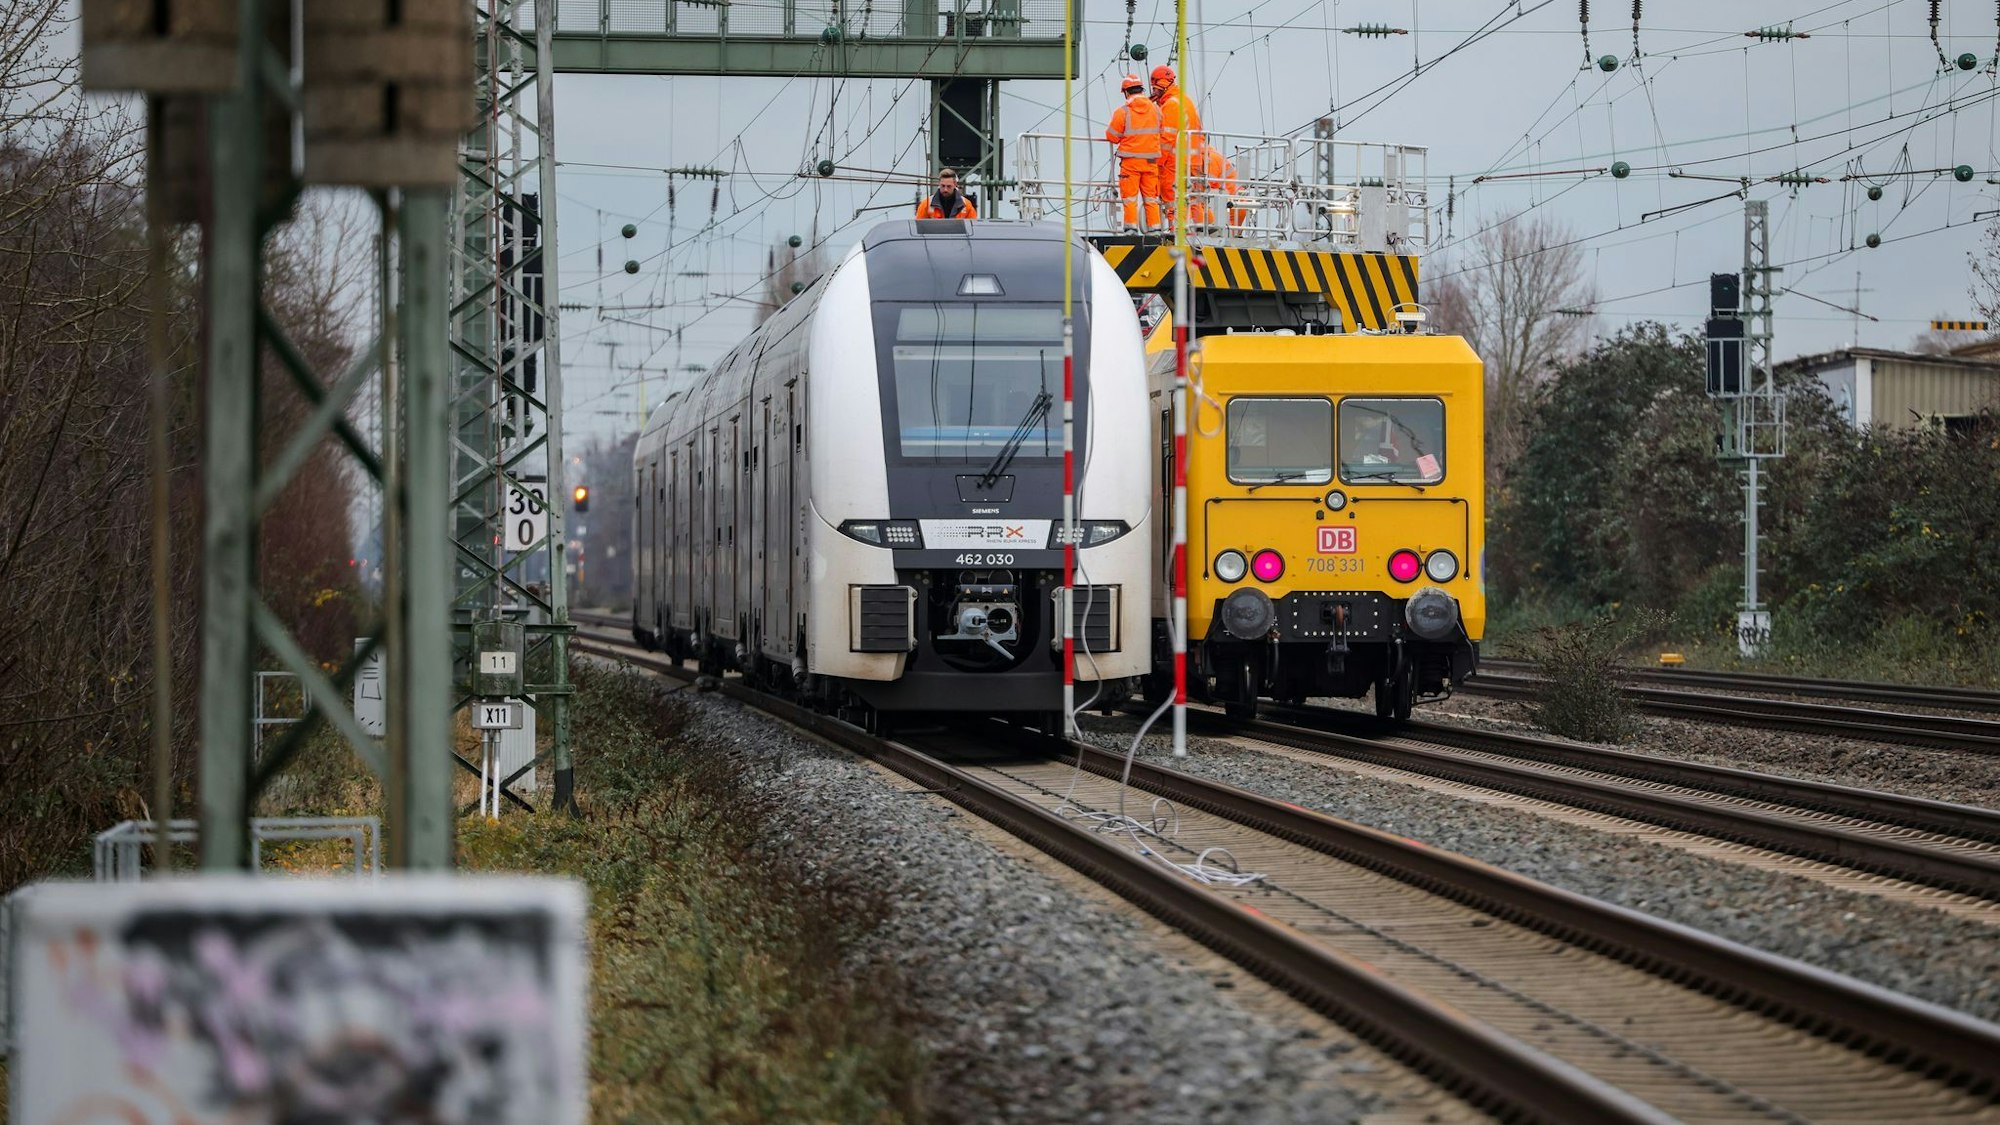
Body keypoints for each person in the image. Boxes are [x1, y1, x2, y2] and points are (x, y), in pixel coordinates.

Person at [1103, 74, 1163, 233]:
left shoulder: (1123, 112)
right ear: (1142, 90)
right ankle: (1155, 229)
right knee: (1151, 198)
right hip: (1151, 162)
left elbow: (1111, 136)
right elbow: (1161, 130)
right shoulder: (1156, 110)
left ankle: (1131, 228)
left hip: (1131, 162)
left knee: (1130, 198)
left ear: (1126, 92)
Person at [1151, 65, 1203, 223]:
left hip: (1176, 162)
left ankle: (1176, 233)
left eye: (1154, 88)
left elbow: (1166, 139)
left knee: (1173, 200)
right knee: (1195, 202)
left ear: (1160, 85)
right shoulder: (1185, 100)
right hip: (1194, 160)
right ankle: (1203, 230)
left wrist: (1156, 164)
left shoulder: (1171, 105)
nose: (1153, 92)